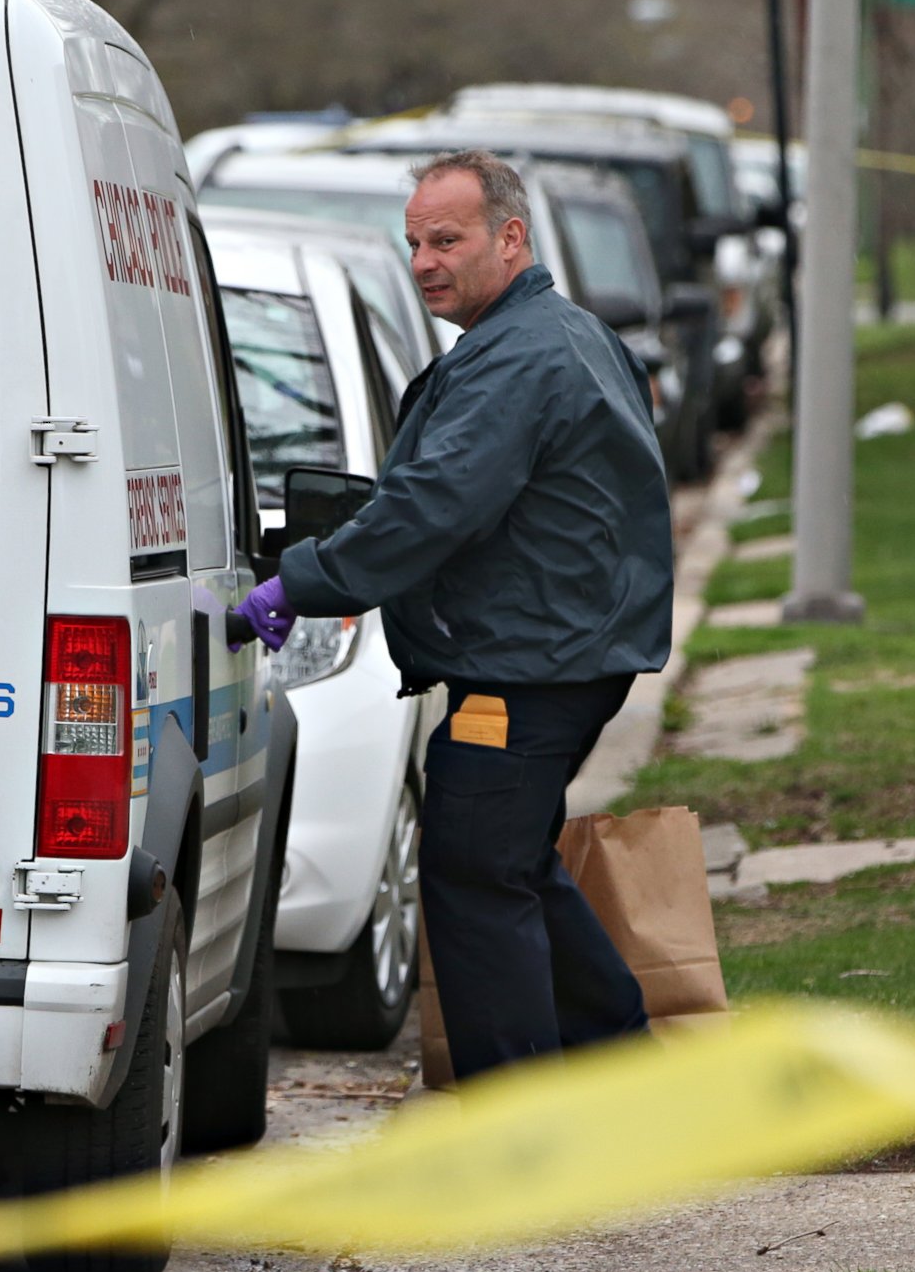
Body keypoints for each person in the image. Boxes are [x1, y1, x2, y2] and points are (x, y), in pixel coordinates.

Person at [237, 150, 675, 1080]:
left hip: (529, 669)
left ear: (510, 238)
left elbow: (432, 506)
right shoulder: (556, 335)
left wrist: (301, 582)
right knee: (509, 866)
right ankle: (632, 1073)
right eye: (414, 243)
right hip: (561, 656)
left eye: (447, 239)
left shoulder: (520, 358)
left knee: (476, 878)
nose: (425, 261)